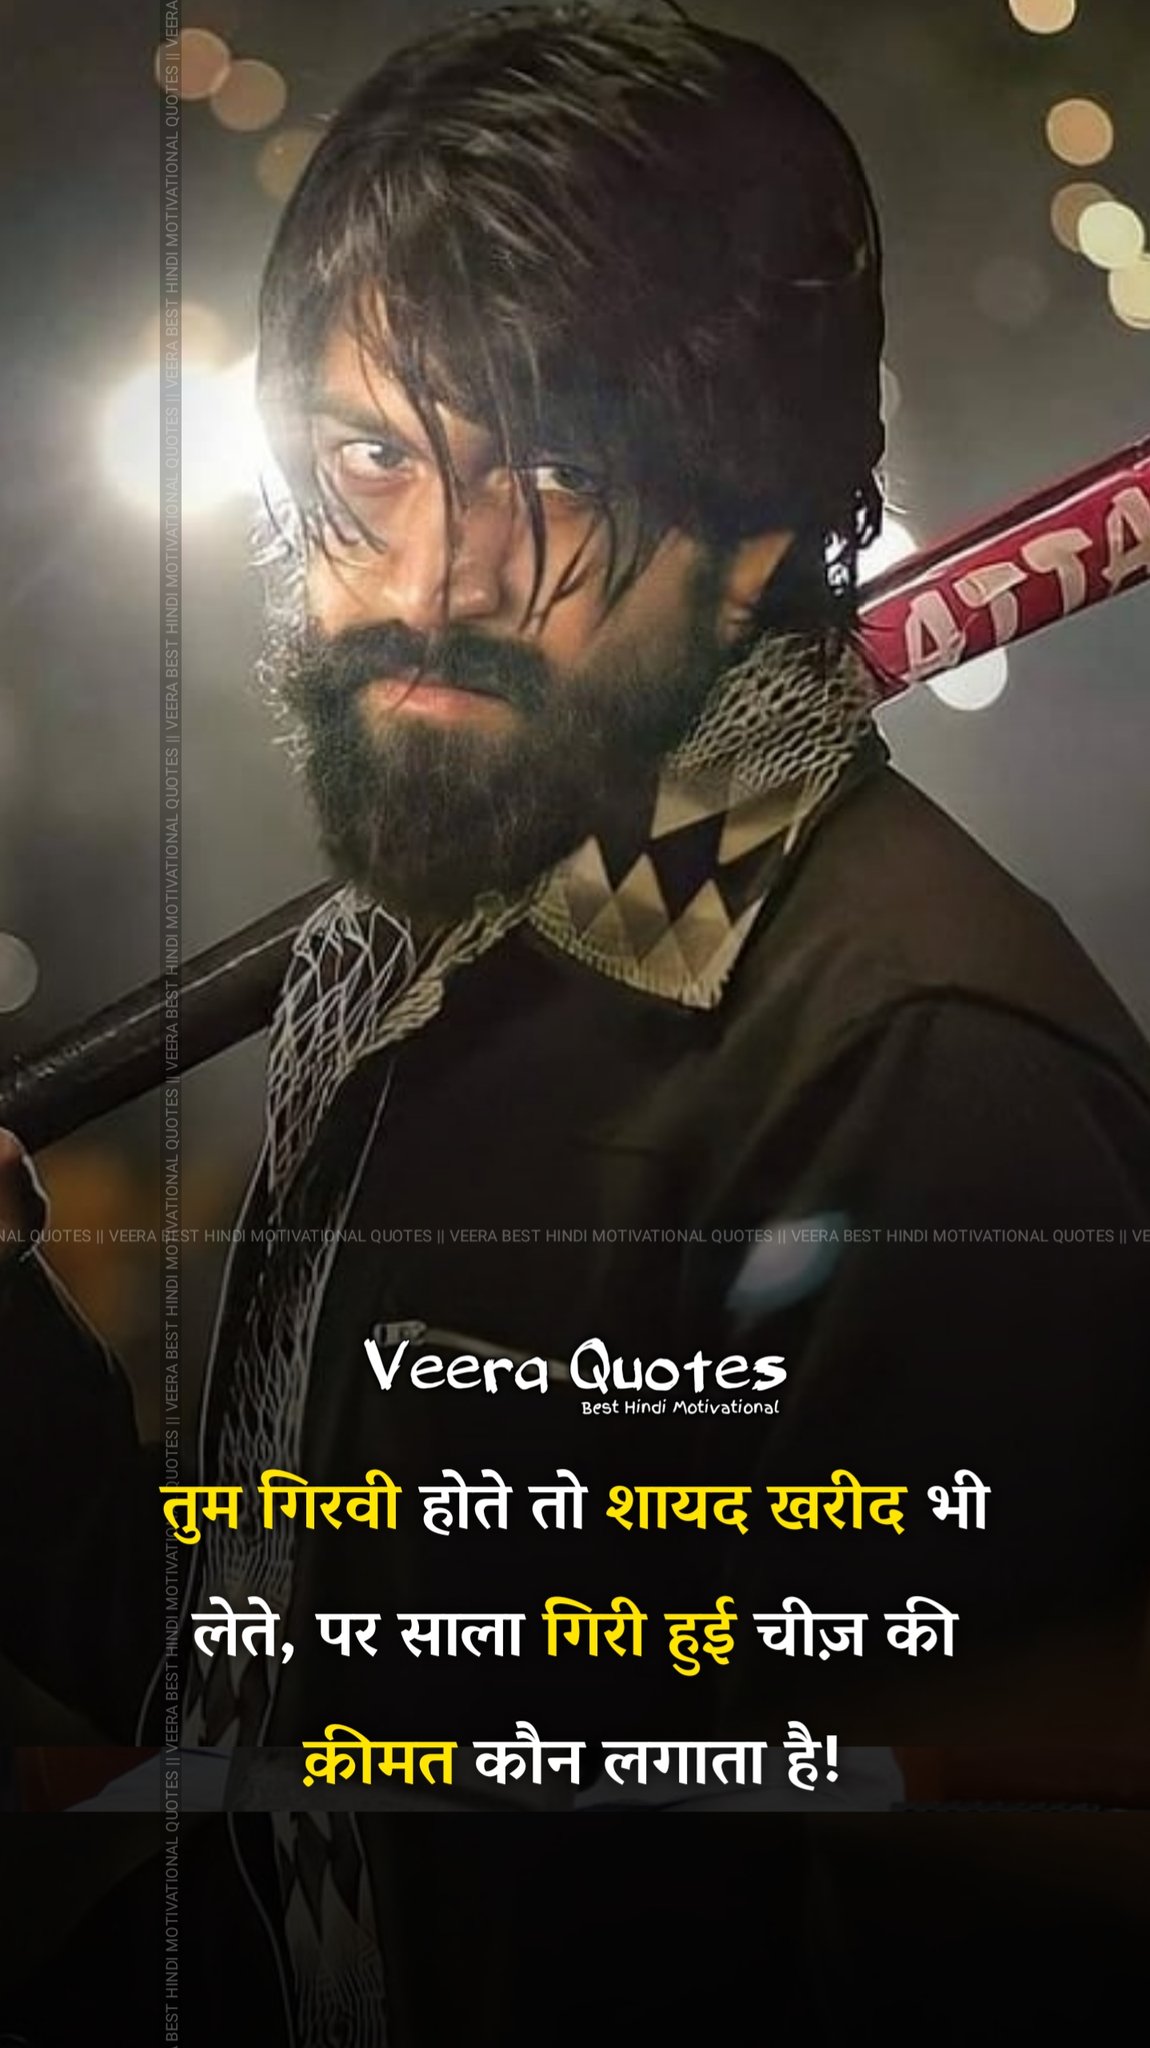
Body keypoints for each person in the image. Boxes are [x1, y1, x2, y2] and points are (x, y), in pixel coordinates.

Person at [2, 6, 1150, 2042]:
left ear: (754, 522)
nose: (431, 580)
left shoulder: (929, 1080)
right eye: (374, 459)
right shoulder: (430, 956)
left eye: (549, 470)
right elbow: (276, 1704)